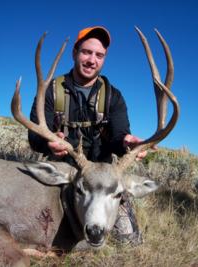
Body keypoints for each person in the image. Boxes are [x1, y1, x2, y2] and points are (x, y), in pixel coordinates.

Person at [28, 26, 146, 244]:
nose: (92, 60)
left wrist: (127, 143)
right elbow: (34, 138)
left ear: (104, 59)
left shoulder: (113, 96)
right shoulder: (51, 91)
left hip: (102, 178)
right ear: (75, 53)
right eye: (86, 52)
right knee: (42, 229)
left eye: (99, 55)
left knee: (129, 240)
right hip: (64, 170)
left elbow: (120, 135)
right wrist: (48, 143)